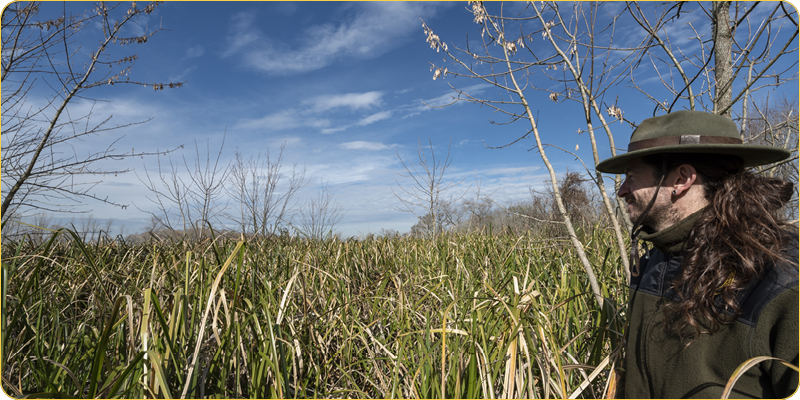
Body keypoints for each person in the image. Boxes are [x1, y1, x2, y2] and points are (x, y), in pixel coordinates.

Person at [596, 110, 798, 398]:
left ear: (682, 179)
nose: (622, 190)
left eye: (631, 176)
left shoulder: (781, 276)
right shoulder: (653, 261)